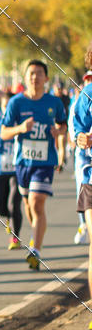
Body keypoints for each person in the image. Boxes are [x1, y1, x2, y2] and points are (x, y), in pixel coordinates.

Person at [0, 59, 67, 271]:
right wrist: (19, 128)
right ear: (25, 77)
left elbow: (63, 124)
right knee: (28, 205)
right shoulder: (16, 103)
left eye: (39, 73)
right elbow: (3, 132)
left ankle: (35, 251)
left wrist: (59, 131)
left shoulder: (53, 102)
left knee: (37, 202)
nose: (34, 77)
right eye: (31, 73)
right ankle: (34, 237)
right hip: (23, 163)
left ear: (46, 78)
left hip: (45, 162)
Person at [0, 90, 22, 250]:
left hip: (17, 169)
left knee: (13, 205)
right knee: (0, 207)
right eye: (5, 106)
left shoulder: (21, 123)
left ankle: (15, 238)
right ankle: (8, 219)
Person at [70, 72, 92, 246]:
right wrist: (81, 137)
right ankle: (82, 224)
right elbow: (78, 131)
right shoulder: (86, 96)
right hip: (85, 161)